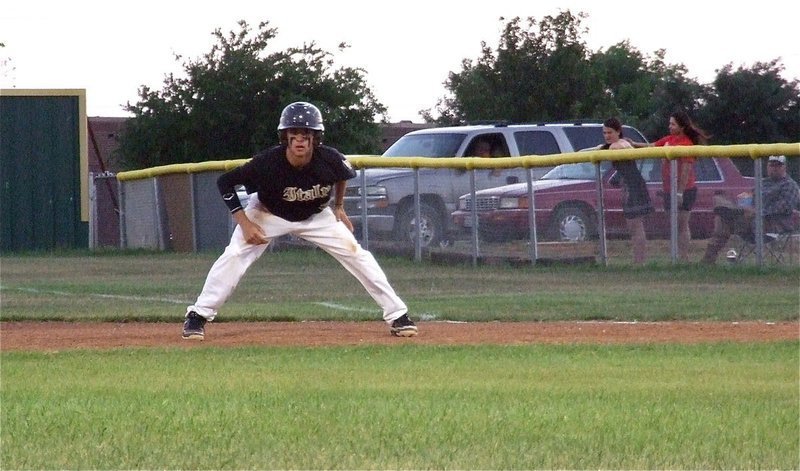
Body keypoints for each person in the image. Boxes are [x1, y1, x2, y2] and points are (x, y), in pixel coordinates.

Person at [182, 102, 418, 340]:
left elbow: (342, 176)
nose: (299, 140)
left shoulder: (331, 158)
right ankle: (198, 315)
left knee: (357, 254)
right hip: (267, 213)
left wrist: (338, 205)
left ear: (315, 138)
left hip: (315, 216)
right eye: (293, 134)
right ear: (284, 137)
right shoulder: (268, 162)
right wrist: (244, 222)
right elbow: (225, 182)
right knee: (234, 255)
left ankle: (398, 315)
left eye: (306, 134)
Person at [629, 111, 709, 262]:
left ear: (682, 126)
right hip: (668, 188)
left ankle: (684, 257)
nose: (669, 126)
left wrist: (679, 193)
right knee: (673, 223)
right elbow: (652, 146)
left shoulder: (686, 144)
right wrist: (634, 144)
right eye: (670, 123)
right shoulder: (669, 139)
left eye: (673, 124)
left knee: (682, 223)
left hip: (685, 189)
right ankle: (675, 256)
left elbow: (686, 170)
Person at [701, 155, 800, 264]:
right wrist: (744, 203)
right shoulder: (763, 183)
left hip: (772, 225)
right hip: (749, 221)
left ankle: (708, 259)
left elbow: (784, 208)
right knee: (722, 207)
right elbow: (749, 197)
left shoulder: (790, 185)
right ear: (767, 166)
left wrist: (756, 212)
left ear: (784, 167)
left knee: (725, 216)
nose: (774, 168)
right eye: (772, 165)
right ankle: (709, 258)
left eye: (778, 165)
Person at [603, 118, 654, 265]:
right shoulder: (623, 143)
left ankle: (639, 263)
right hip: (634, 184)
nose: (607, 136)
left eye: (610, 132)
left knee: (635, 226)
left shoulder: (617, 146)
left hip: (633, 186)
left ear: (618, 131)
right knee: (635, 226)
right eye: (604, 133)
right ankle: (639, 261)